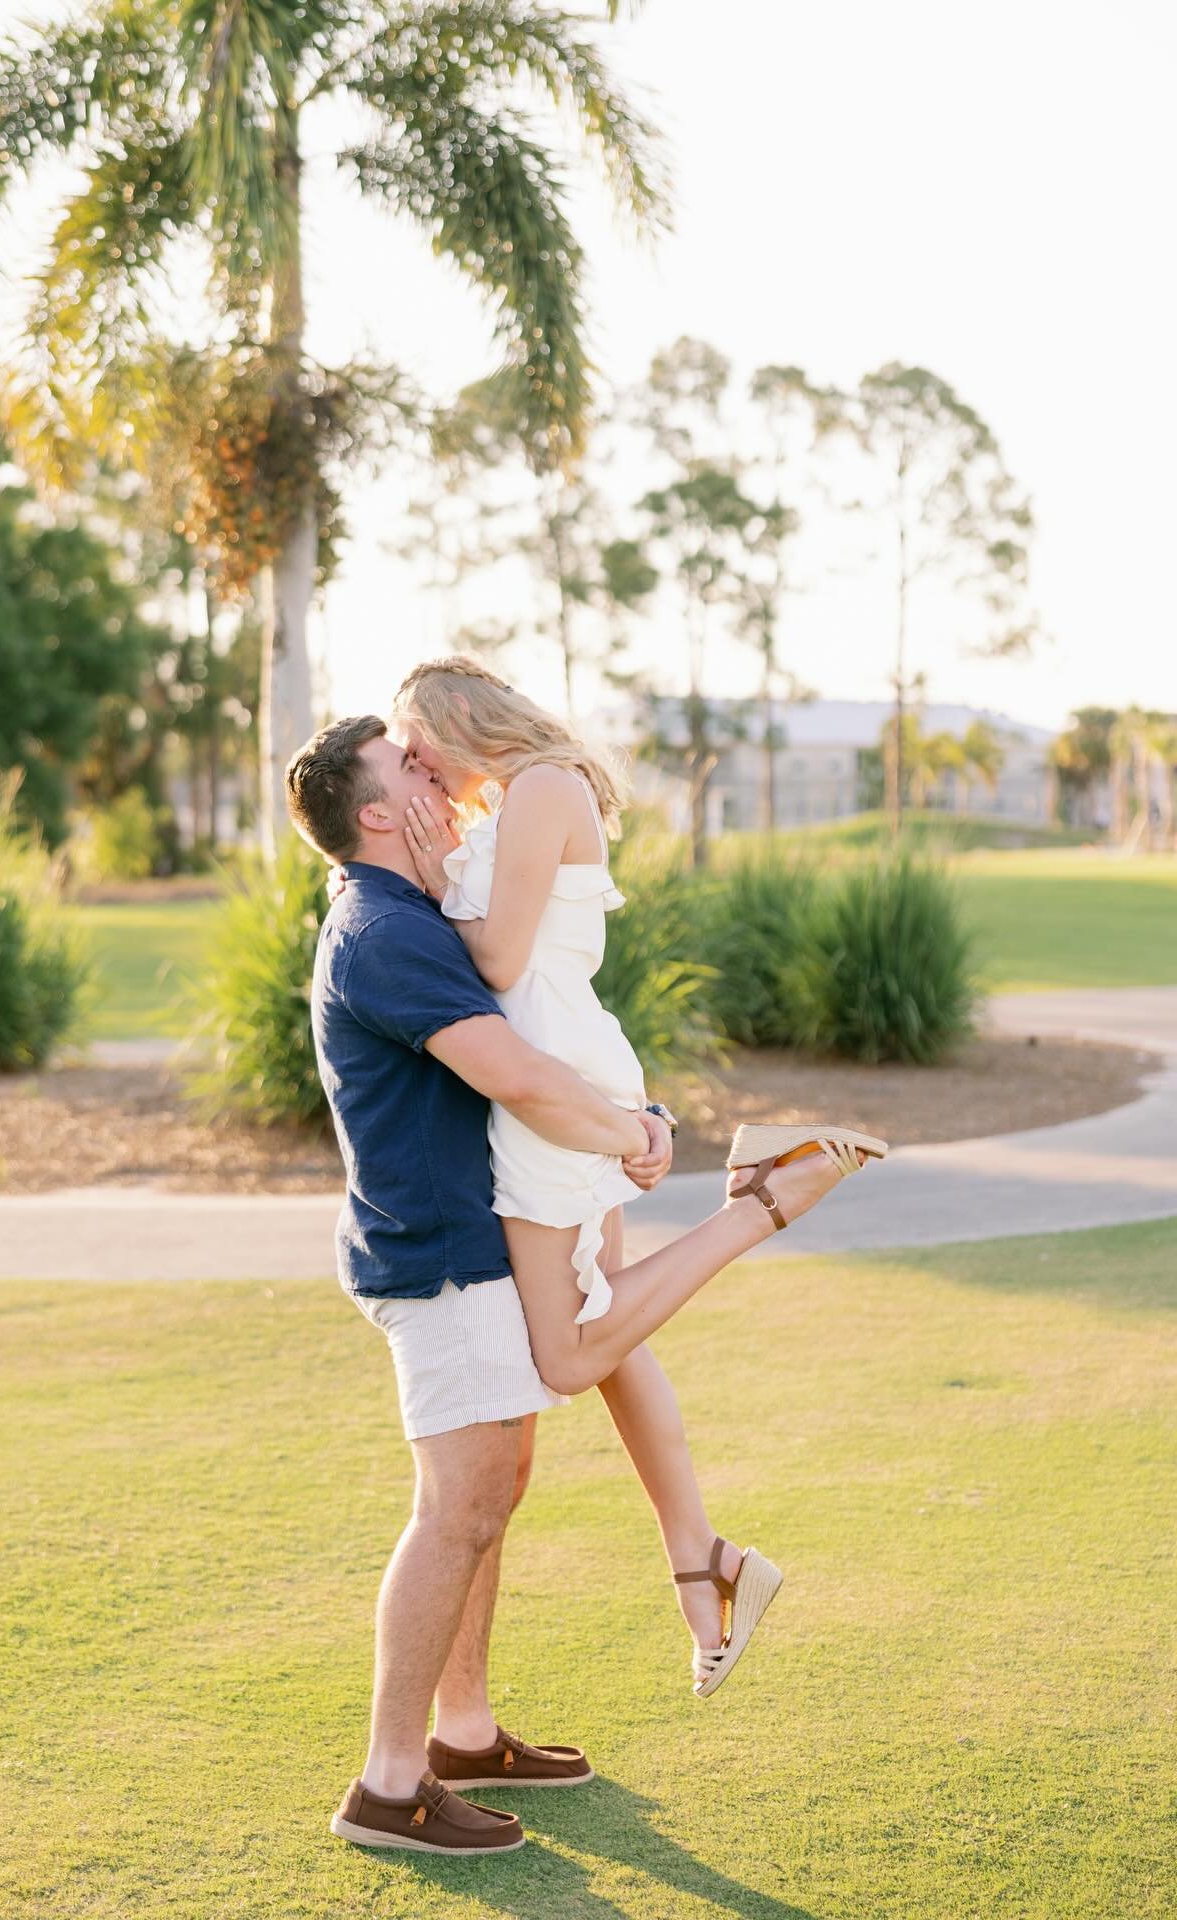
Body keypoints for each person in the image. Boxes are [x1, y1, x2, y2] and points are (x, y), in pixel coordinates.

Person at [285, 710, 879, 1855]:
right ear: (373, 813)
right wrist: (630, 1131)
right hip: (437, 1258)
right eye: (407, 767)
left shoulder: (412, 912)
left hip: (473, 1243)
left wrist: (629, 1117)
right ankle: (389, 1784)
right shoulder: (381, 929)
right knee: (459, 1507)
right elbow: (515, 1073)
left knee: (490, 1495)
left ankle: (462, 1730)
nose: (431, 769)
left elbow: (540, 1009)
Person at [388, 655, 885, 1697]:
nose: (415, 774)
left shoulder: (539, 790)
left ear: (454, 720)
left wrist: (434, 881)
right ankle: (704, 1565)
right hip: (568, 1070)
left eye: (418, 750)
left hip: (554, 1090)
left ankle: (759, 1205)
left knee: (569, 1355)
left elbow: (499, 963)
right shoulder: (513, 801)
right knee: (615, 1343)